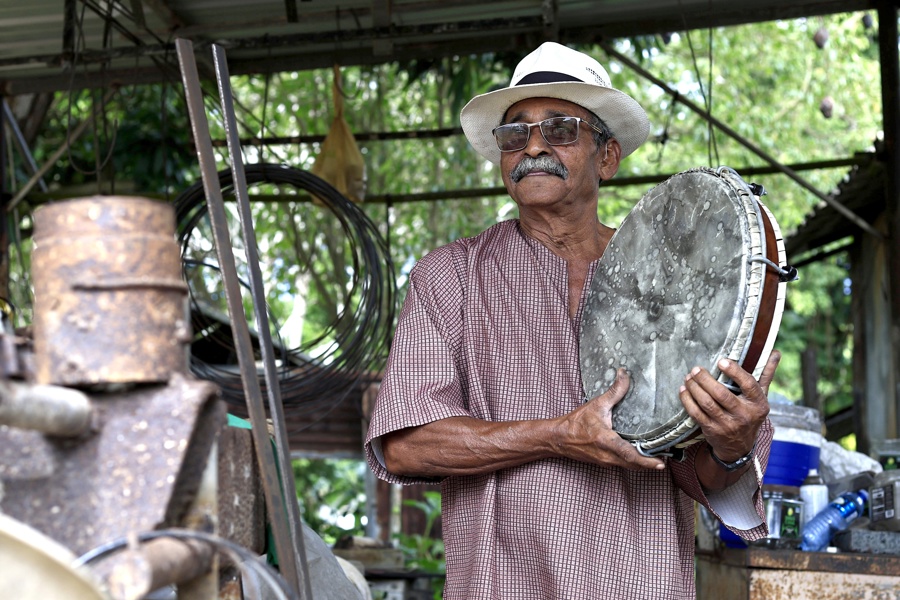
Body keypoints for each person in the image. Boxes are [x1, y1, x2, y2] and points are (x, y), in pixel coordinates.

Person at [365, 41, 778, 599]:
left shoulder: (676, 279)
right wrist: (559, 435)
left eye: (560, 130)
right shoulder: (450, 276)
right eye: (515, 135)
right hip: (504, 584)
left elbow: (701, 473)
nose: (533, 146)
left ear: (606, 157)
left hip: (645, 579)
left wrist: (733, 442)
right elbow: (404, 445)